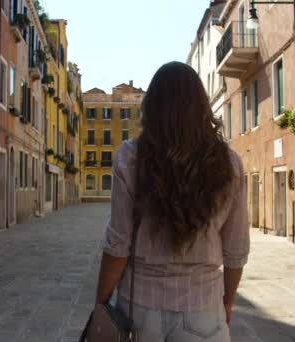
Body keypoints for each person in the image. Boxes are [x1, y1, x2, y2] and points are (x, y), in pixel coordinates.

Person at [94, 62, 250, 342]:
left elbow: (118, 245)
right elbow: (236, 250)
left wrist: (100, 304)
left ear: (151, 107)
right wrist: (226, 302)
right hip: (204, 309)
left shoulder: (130, 158)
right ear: (202, 107)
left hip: (139, 312)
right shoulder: (229, 164)